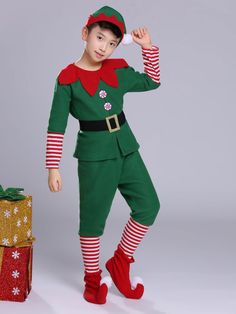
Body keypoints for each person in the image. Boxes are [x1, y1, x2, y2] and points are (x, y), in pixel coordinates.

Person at [45, 5, 161, 304]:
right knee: (93, 221)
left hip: (126, 147)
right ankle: (92, 279)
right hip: (94, 155)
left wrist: (146, 47)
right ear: (85, 34)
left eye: (111, 43)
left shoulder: (118, 70)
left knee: (149, 205)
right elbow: (56, 126)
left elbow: (152, 81)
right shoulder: (67, 79)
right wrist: (53, 167)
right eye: (99, 38)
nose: (104, 47)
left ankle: (121, 260)